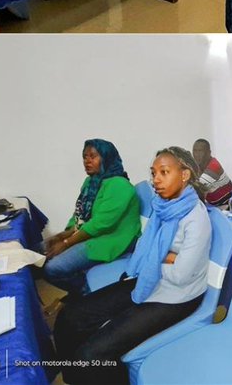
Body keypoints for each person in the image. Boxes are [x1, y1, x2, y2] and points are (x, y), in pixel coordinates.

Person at [53, 147, 211, 385]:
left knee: (92, 355)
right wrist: (166, 256)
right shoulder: (162, 207)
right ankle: (73, 378)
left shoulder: (196, 220)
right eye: (153, 173)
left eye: (164, 172)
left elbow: (179, 275)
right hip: (149, 279)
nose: (156, 179)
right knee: (69, 318)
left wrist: (157, 258)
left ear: (185, 175)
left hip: (176, 297)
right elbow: (146, 250)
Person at [42, 139, 141, 293]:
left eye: (93, 156)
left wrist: (67, 243)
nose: (87, 161)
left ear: (106, 157)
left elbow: (102, 224)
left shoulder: (120, 185)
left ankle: (85, 292)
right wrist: (61, 235)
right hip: (92, 234)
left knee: (52, 268)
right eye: (85, 156)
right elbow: (79, 214)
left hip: (113, 239)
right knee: (38, 251)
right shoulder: (90, 182)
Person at [191, 138, 232, 206]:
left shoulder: (213, 168)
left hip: (226, 207)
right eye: (195, 151)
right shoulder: (200, 166)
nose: (197, 154)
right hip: (213, 206)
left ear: (209, 153)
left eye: (200, 151)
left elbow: (194, 192)